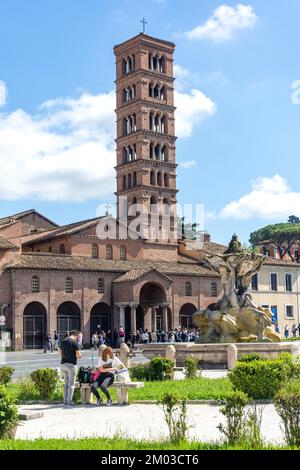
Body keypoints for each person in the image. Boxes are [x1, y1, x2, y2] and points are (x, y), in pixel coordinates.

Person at [60, 330, 82, 407]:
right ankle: (69, 401)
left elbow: (60, 353)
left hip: (63, 364)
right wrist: (80, 356)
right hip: (71, 365)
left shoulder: (63, 341)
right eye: (78, 336)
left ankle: (64, 401)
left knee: (66, 383)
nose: (78, 338)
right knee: (71, 384)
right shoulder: (75, 343)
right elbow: (78, 355)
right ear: (76, 335)